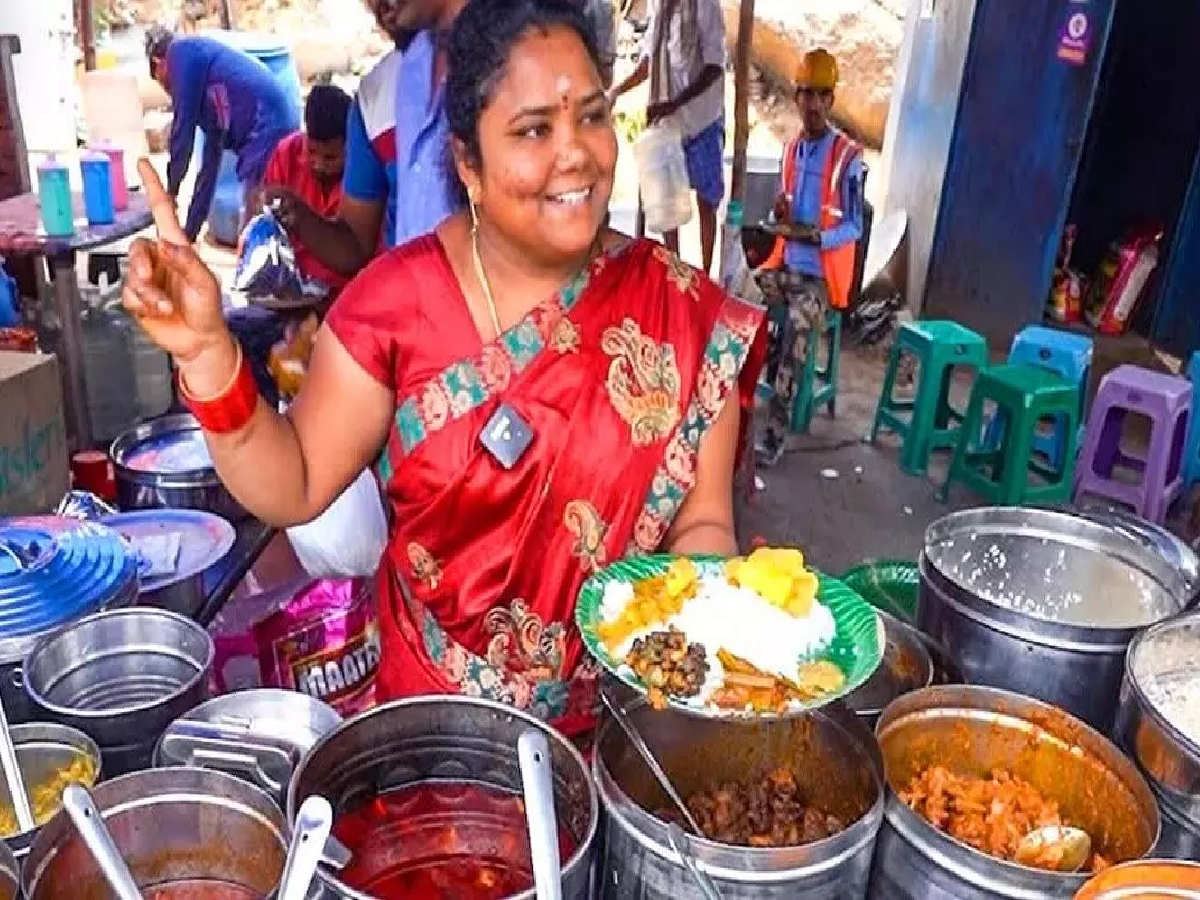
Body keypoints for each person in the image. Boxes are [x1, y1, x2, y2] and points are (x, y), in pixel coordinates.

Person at [122, 0, 765, 737]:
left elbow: (705, 523)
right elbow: (292, 481)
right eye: (533, 130)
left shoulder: (678, 312)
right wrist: (208, 356)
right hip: (433, 741)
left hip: (620, 742)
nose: (577, 153)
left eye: (591, 117)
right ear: (468, 162)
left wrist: (712, 631)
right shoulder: (395, 307)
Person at [265, 0, 468, 278]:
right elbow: (355, 243)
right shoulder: (386, 90)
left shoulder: (517, 54)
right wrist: (298, 214)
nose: (375, 4)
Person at [755, 48, 864, 465]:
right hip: (786, 267)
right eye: (806, 94)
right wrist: (779, 213)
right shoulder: (792, 150)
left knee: (798, 330)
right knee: (740, 297)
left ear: (831, 101)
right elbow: (782, 214)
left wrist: (821, 237)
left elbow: (854, 225)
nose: (813, 104)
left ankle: (775, 432)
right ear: (796, 98)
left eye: (821, 95)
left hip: (821, 279)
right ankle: (744, 395)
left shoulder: (847, 158)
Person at [145, 27, 300, 242]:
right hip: (274, 120)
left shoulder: (181, 53)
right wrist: (189, 234)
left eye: (161, 82)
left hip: (268, 122)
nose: (167, 90)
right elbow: (209, 168)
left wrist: (171, 191)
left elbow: (182, 133)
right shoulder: (210, 95)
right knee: (262, 218)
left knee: (254, 222)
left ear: (157, 63)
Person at [610, 0, 726, 275]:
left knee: (707, 202)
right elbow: (649, 60)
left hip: (701, 121)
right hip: (668, 125)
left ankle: (706, 276)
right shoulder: (657, 6)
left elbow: (714, 66)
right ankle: (676, 274)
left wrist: (673, 103)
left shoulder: (705, 6)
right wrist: (616, 91)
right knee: (666, 203)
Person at [257, 84, 354, 296]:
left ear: (351, 145)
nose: (319, 164)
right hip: (290, 288)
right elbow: (266, 225)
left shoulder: (364, 174)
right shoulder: (286, 155)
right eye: (311, 151)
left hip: (345, 293)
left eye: (331, 157)